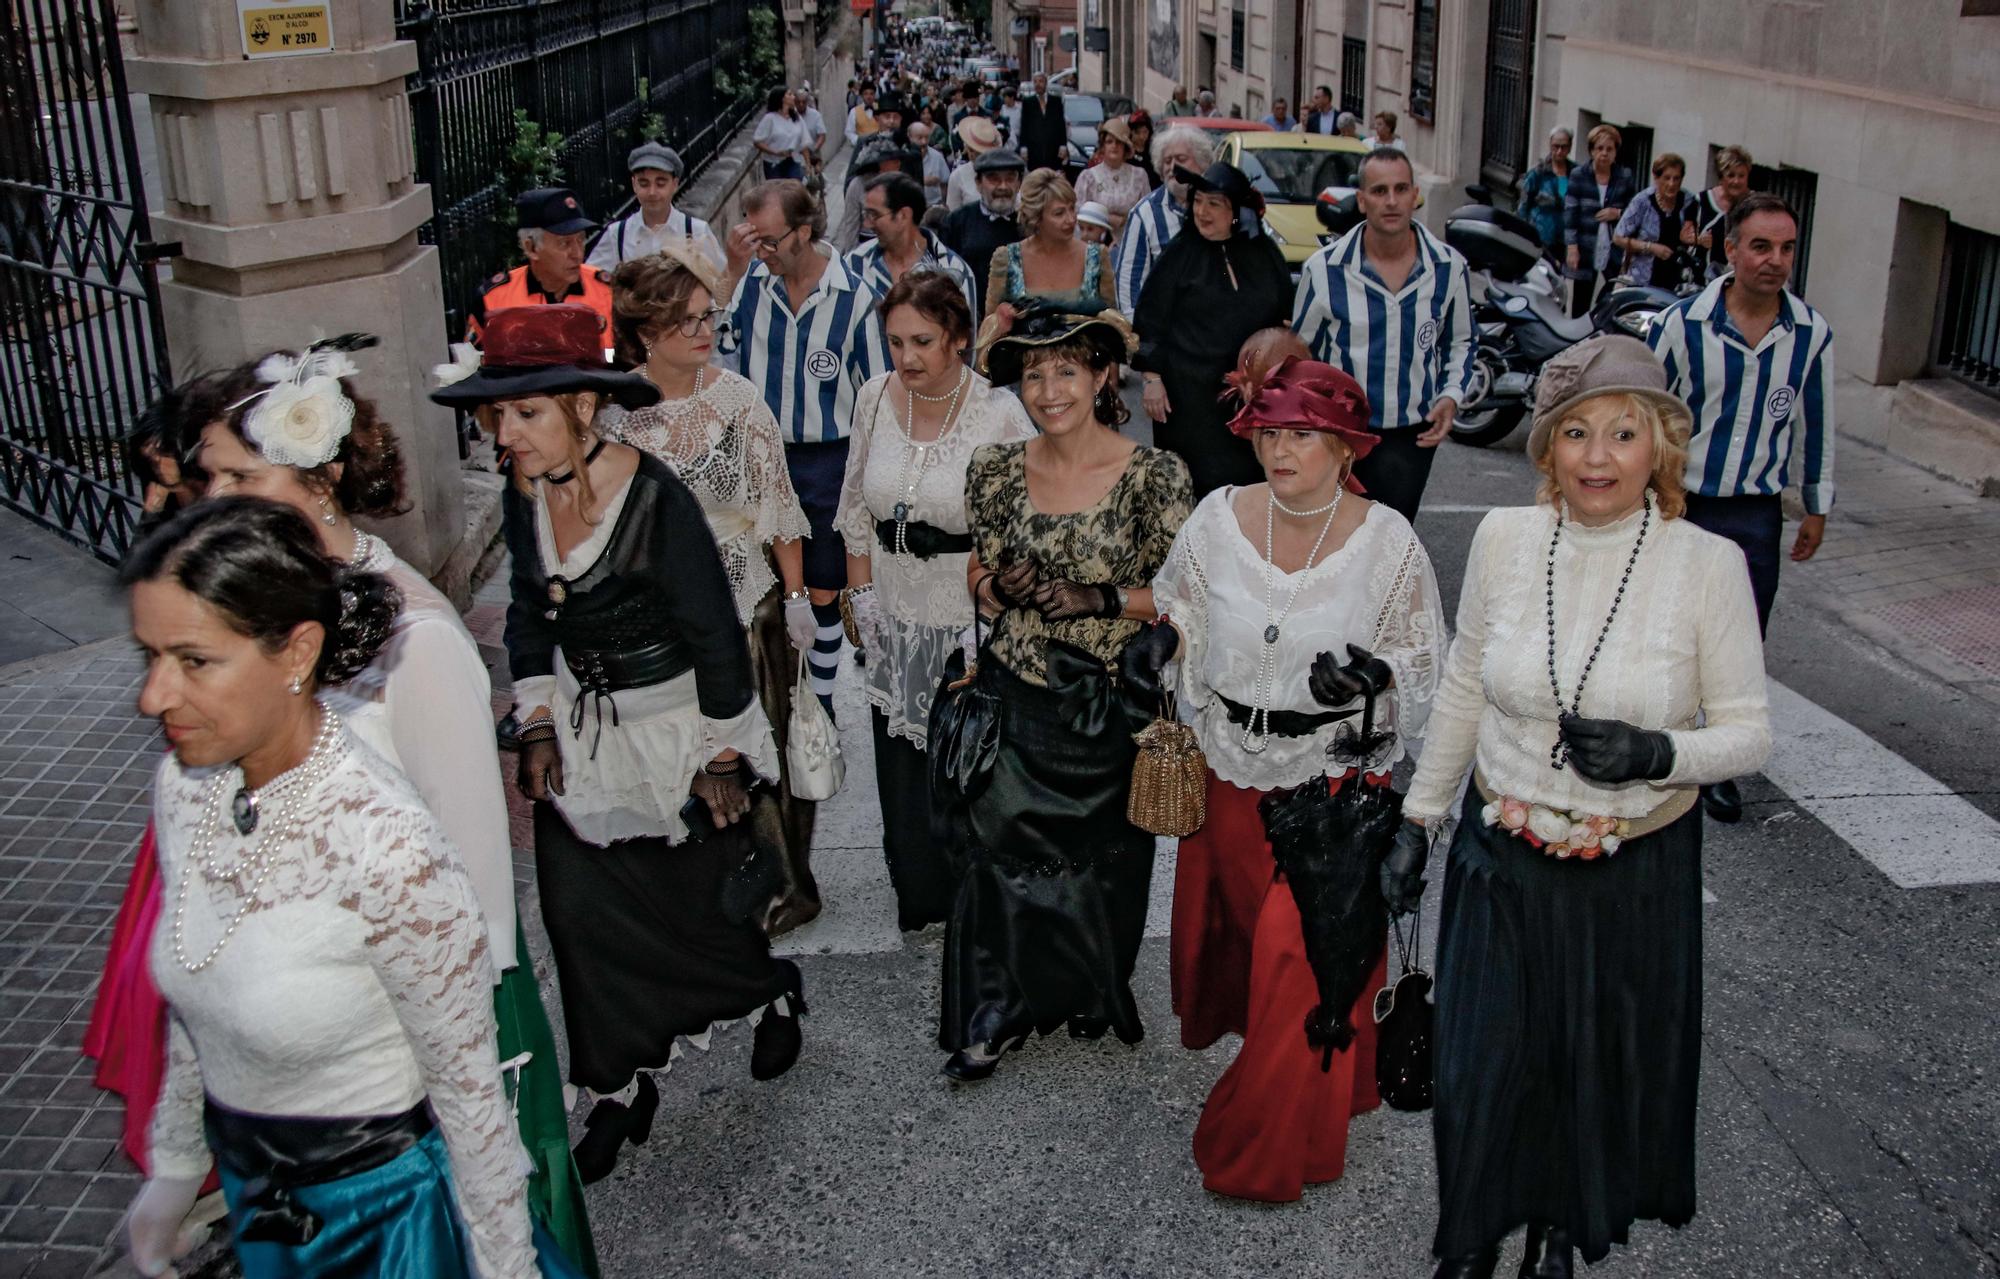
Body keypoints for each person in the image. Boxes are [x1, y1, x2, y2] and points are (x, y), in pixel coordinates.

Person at [122, 498, 579, 1279]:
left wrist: (505, 1267)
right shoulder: (184, 787)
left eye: (194, 660)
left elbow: (472, 1103)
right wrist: (174, 1165)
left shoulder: (389, 845)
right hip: (261, 1206)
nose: (154, 695)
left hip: (386, 1230)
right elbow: (203, 982)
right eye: (149, 656)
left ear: (297, 651)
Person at [1401, 335, 1772, 1278]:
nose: (1597, 457)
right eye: (1574, 433)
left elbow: (1749, 733)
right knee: (1478, 1064)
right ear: (1547, 449)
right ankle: (1472, 1231)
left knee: (1587, 1067)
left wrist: (1662, 751)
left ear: (1660, 449)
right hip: (1500, 848)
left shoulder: (1709, 564)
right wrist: (1418, 819)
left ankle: (1561, 1228)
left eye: (1622, 433)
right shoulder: (1503, 540)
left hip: (1634, 866)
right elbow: (1465, 683)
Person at [436, 304, 807, 1186]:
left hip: (679, 733)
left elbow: (717, 634)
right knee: (579, 916)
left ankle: (771, 989)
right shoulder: (528, 495)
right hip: (582, 732)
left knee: (688, 916)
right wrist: (531, 717)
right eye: (497, 414)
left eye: (524, 412)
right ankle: (615, 1084)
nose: (506, 432)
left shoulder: (654, 497)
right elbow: (530, 614)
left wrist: (724, 759)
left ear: (580, 406)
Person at [1147, 354, 1443, 1203]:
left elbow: (1425, 661)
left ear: (1346, 447)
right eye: (1270, 432)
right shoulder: (1217, 517)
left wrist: (1375, 676)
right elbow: (1184, 608)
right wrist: (1162, 647)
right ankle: (1332, 1088)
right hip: (1234, 773)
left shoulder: (1388, 542)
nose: (1281, 450)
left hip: (1335, 787)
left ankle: (1254, 1148)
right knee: (1273, 958)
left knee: (1298, 957)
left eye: (1304, 436)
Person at [944, 306, 1193, 1080]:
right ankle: (1001, 1002)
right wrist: (995, 584)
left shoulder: (1157, 476)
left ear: (1101, 375)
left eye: (1065, 370)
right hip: (1016, 694)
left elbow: (1187, 593)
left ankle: (1091, 986)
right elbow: (976, 569)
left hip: (1109, 705)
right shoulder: (993, 469)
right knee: (1002, 854)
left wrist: (1103, 599)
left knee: (1103, 863)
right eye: (1032, 373)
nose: (1047, 390)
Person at [605, 247, 822, 935]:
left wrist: (793, 601)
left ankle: (777, 887)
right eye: (688, 322)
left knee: (759, 744)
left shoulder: (738, 401)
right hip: (661, 615)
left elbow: (777, 507)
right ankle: (697, 883)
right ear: (645, 333)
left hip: (746, 598)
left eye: (709, 318)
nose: (706, 333)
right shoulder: (616, 418)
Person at [835, 273, 1035, 931]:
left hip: (965, 626)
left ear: (957, 336)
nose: (907, 357)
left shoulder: (998, 413)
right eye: (894, 341)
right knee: (903, 772)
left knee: (967, 774)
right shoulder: (871, 397)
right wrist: (862, 597)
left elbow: (1019, 535)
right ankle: (919, 899)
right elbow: (854, 509)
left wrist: (994, 624)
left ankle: (977, 908)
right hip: (893, 617)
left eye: (923, 340)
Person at [1648, 192, 1833, 823]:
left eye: (1786, 249)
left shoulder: (1810, 334)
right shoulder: (1684, 323)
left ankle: (1719, 767)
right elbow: (1650, 411)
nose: (1774, 261)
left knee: (1741, 640)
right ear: (1730, 250)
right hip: (1682, 501)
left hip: (1755, 511)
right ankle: (1659, 747)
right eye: (1760, 246)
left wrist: (1816, 504)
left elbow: (1817, 425)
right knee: (1667, 628)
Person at [722, 180, 890, 712]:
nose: (762, 252)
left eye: (770, 241)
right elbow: (718, 351)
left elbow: (876, 394)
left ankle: (818, 704)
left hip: (827, 461)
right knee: (758, 584)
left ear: (804, 231)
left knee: (821, 587)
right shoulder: (749, 283)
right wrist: (731, 270)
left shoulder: (856, 298)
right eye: (754, 241)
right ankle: (764, 697)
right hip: (756, 454)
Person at [1292, 148, 1476, 521]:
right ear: (1361, 201)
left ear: (1414, 195)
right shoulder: (1325, 270)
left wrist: (1451, 395)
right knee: (1335, 540)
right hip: (1340, 433)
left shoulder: (1448, 267)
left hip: (1412, 436)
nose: (1391, 201)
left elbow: (1461, 341)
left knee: (1393, 539)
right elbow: (1300, 353)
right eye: (1378, 191)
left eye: (1400, 189)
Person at [1134, 162, 1293, 496]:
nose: (1202, 212)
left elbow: (1285, 318)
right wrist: (1152, 379)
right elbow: (1150, 319)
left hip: (1247, 399)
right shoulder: (1180, 254)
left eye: (1214, 204)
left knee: (1249, 486)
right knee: (1195, 486)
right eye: (1198, 201)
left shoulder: (1263, 254)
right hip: (1189, 398)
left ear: (1236, 211)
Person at [467, 188, 613, 344]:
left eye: (580, 240)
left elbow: (634, 360)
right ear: (531, 248)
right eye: (564, 244)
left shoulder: (608, 291)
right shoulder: (493, 300)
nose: (577, 253)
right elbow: (471, 364)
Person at [1112, 125, 1214, 321]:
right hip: (1165, 337)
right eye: (1167, 161)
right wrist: (1141, 335)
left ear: (1202, 163)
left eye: (1181, 159)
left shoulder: (1222, 208)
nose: (1172, 166)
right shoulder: (1144, 214)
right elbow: (1129, 283)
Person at [847, 171, 981, 319]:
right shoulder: (854, 263)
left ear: (903, 215)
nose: (867, 224)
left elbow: (966, 337)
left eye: (874, 215)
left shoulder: (955, 270)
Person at [983, 169, 1113, 319]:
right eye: (1059, 213)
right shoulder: (1007, 260)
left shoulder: (1096, 257)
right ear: (1036, 218)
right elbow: (990, 326)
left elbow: (1113, 323)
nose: (1071, 219)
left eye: (1072, 209)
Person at [587, 142, 726, 275]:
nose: (652, 192)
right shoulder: (617, 236)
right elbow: (591, 281)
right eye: (644, 184)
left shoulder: (697, 232)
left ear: (675, 184)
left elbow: (721, 285)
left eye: (660, 184)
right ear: (634, 184)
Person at [939, 147, 1027, 315]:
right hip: (968, 319)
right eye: (994, 179)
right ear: (978, 183)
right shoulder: (956, 222)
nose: (1003, 186)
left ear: (1019, 184)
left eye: (1010, 179)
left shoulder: (1029, 222)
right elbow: (943, 278)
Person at [1563, 124, 1637, 317]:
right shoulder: (1579, 175)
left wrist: (1617, 213)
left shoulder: (1624, 177)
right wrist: (1572, 247)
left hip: (1613, 246)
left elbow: (1635, 210)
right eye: (1600, 149)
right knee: (1580, 302)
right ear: (1591, 151)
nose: (1604, 154)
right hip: (1586, 245)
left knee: (1611, 296)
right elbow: (1570, 213)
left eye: (1609, 149)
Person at [1612, 152, 1699, 291]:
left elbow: (1694, 235)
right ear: (1656, 178)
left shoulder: (1688, 201)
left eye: (1676, 178)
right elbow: (1618, 238)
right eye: (1667, 178)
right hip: (1641, 278)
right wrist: (1650, 247)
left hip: (1675, 281)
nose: (1672, 184)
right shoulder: (1642, 201)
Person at [1073, 117, 1149, 240]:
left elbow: (1147, 213)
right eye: (1109, 141)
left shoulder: (1139, 175)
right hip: (1094, 245)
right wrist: (1106, 218)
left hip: (1131, 241)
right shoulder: (1087, 177)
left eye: (1119, 142)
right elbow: (1078, 214)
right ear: (1102, 146)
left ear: (1125, 147)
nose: (1114, 146)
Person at [1690, 145, 1752, 283]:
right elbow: (1684, 240)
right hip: (1701, 283)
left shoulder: (1754, 205)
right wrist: (1698, 240)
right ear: (1720, 177)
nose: (1736, 181)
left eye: (1741, 176)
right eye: (1730, 175)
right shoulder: (1701, 201)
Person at [1514, 127, 1572, 267]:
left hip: (1564, 240)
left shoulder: (1575, 173)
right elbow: (1523, 206)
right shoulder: (1538, 173)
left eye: (1563, 147)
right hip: (1541, 237)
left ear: (1570, 147)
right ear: (1550, 145)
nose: (1559, 151)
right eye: (1556, 146)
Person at [753, 88, 812, 180]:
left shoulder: (796, 118)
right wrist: (775, 152)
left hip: (793, 160)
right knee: (778, 190)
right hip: (774, 164)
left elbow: (804, 142)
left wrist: (808, 164)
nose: (793, 97)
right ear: (782, 99)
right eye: (790, 94)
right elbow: (757, 141)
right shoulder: (770, 119)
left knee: (794, 189)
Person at [948, 115, 1002, 210]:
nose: (972, 154)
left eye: (977, 152)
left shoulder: (1004, 172)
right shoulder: (957, 176)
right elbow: (952, 214)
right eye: (970, 150)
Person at [1017, 71, 1067, 172]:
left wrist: (1063, 145)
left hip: (1052, 148)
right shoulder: (1028, 102)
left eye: (1040, 81)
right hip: (1034, 149)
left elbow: (1061, 125)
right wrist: (1023, 147)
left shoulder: (1056, 101)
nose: (1038, 84)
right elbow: (1024, 125)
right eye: (1035, 82)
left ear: (1046, 83)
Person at [906, 120, 953, 206]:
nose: (924, 142)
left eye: (926, 137)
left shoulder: (937, 156)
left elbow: (945, 184)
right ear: (910, 137)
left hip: (934, 205)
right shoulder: (903, 157)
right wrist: (922, 181)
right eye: (919, 138)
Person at [1127, 111, 1161, 188]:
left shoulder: (1153, 151)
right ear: (1131, 132)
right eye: (1138, 133)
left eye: (1145, 132)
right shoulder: (1126, 152)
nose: (1142, 137)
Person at [846, 81, 880, 150]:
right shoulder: (854, 111)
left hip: (879, 147)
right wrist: (858, 140)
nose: (869, 97)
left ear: (874, 95)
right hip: (862, 148)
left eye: (871, 94)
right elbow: (849, 131)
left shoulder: (881, 109)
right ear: (862, 95)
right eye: (866, 94)